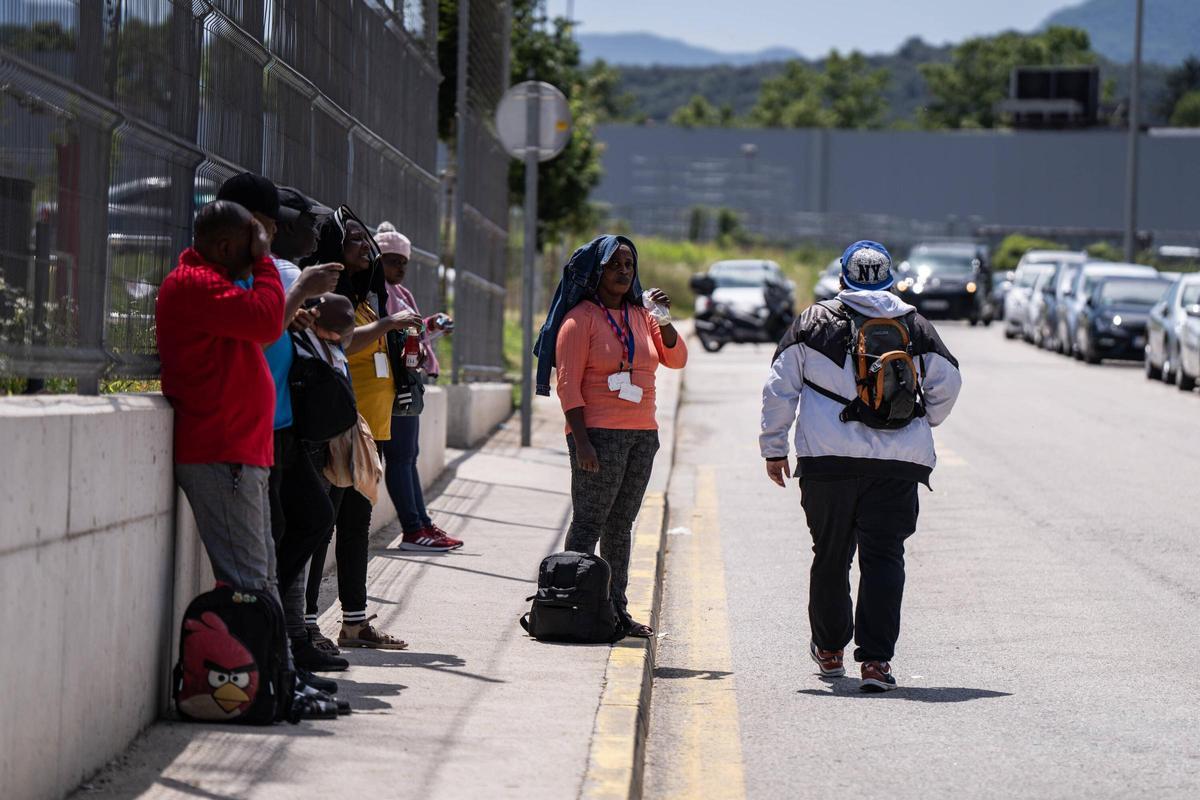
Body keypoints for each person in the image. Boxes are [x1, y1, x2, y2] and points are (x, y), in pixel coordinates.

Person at [759, 240, 962, 692]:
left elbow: (779, 388)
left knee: (830, 555)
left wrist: (774, 447)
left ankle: (830, 651)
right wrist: (922, 416)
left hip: (827, 460)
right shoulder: (914, 324)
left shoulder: (812, 323)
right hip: (898, 463)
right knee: (885, 558)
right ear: (889, 278)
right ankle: (875, 663)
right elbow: (949, 381)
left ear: (843, 279)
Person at [550, 235, 688, 637]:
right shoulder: (580, 319)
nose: (624, 272)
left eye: (629, 265)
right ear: (598, 271)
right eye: (615, 265)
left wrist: (662, 318)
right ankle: (568, 607)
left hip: (642, 435)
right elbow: (568, 385)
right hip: (597, 435)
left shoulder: (642, 316)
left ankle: (616, 612)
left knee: (621, 524)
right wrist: (583, 442)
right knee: (589, 522)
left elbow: (676, 359)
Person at [302, 209, 420, 651]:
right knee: (321, 527)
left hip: (370, 431)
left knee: (356, 525)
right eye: (353, 240)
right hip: (339, 430)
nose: (365, 248)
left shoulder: (368, 298)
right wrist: (387, 325)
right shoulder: (330, 297)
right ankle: (308, 621)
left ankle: (354, 622)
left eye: (365, 240)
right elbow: (342, 340)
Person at [376, 221, 462, 552]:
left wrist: (430, 324)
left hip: (407, 383)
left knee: (407, 456)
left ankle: (422, 524)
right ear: (376, 259)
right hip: (389, 384)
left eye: (403, 262)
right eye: (391, 260)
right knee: (400, 457)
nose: (399, 267)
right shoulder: (375, 292)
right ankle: (413, 529)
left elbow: (411, 331)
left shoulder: (401, 293)